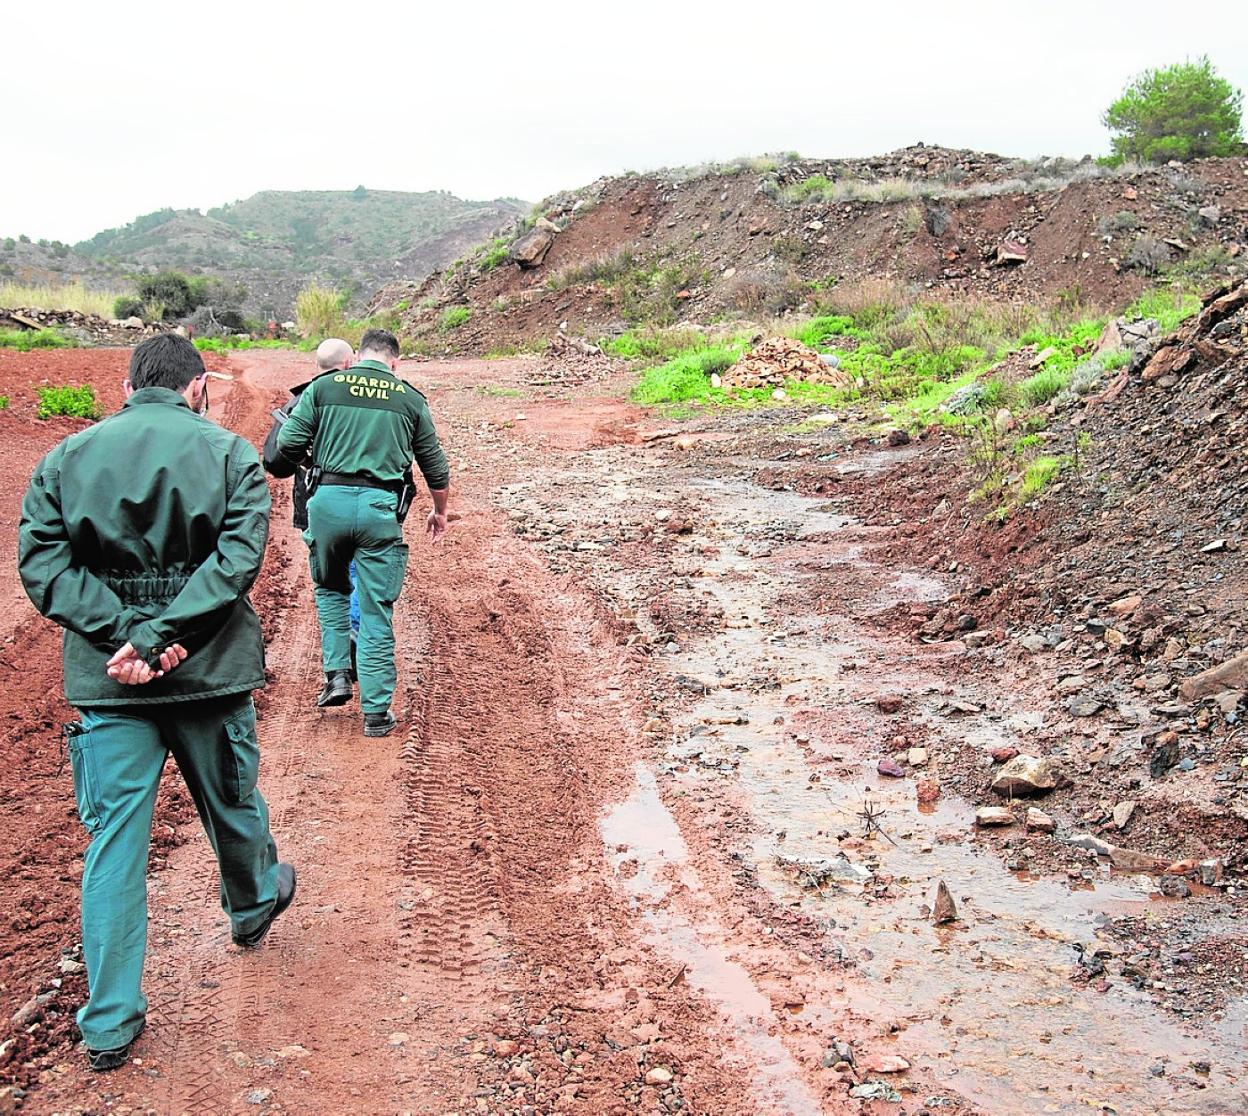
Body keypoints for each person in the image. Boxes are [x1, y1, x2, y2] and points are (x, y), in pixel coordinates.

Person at [18, 334, 296, 1072]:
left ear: (127, 383)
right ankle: (252, 905)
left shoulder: (65, 459)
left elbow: (43, 566)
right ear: (197, 386)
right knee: (232, 804)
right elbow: (237, 562)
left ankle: (109, 1023)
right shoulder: (232, 455)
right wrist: (161, 635)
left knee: (114, 844)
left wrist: (126, 638)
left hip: (111, 685)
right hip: (207, 672)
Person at [271, 327, 449, 736]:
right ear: (394, 362)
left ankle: (335, 675)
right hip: (378, 510)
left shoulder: (324, 387)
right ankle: (375, 713)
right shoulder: (409, 398)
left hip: (327, 506)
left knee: (331, 589)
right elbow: (435, 467)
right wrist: (439, 512)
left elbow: (288, 447)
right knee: (374, 607)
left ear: (358, 356)